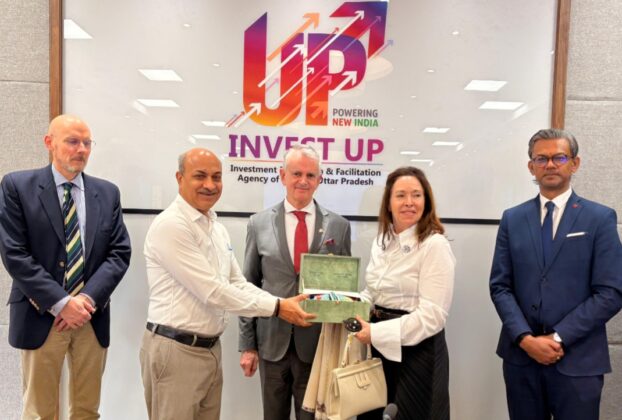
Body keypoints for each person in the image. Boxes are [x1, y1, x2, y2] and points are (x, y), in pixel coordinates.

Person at [140, 147, 315, 420]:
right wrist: (278, 307)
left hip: (210, 350)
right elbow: (213, 291)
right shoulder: (171, 225)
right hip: (176, 350)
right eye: (200, 176)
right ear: (179, 178)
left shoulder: (216, 228)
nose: (210, 185)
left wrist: (279, 304)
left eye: (217, 177)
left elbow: (237, 283)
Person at [0, 114, 132, 419]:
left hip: (90, 316)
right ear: (50, 143)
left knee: (87, 411)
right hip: (40, 314)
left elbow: (119, 253)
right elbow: (14, 253)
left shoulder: (107, 192)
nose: (81, 149)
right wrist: (61, 303)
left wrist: (85, 300)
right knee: (40, 412)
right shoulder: (17, 186)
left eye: (87, 143)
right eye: (73, 141)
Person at [489, 128, 622, 420]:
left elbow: (611, 292)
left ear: (575, 163)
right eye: (541, 158)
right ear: (531, 166)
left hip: (578, 361)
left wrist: (559, 337)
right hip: (521, 358)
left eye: (559, 158)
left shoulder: (600, 218)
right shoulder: (512, 218)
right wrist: (526, 339)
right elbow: (500, 286)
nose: (550, 164)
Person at [238, 145, 351, 420]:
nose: (303, 180)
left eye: (310, 175)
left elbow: (344, 290)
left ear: (319, 179)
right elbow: (248, 286)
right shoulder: (258, 223)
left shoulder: (339, 226)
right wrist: (248, 345)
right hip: (271, 343)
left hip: (317, 345)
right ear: (282, 176)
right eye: (296, 173)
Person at [354, 166, 455, 420]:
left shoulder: (434, 245)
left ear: (426, 201)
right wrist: (348, 304)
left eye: (416, 195)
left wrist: (375, 333)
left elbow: (433, 315)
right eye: (400, 195)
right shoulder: (382, 241)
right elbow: (373, 291)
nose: (409, 202)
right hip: (377, 350)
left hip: (417, 353)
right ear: (388, 203)